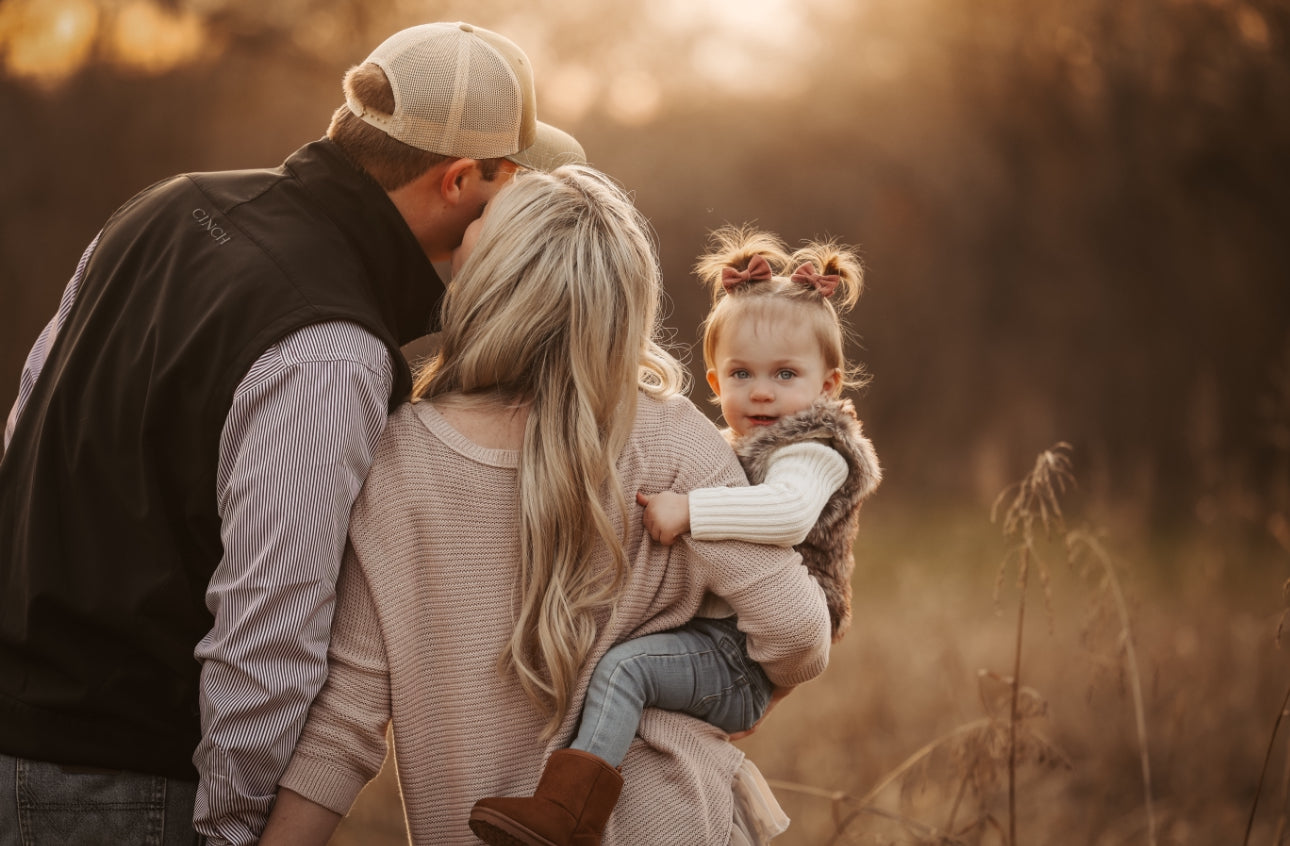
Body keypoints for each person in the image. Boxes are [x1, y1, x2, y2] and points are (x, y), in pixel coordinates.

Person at [0, 21, 584, 846]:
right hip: (124, 786)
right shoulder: (331, 346)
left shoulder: (164, 206)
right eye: (504, 188)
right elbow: (269, 631)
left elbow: (26, 427)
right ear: (458, 180)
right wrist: (232, 830)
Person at [256, 167, 833, 846]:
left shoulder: (397, 458)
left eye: (479, 228)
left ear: (494, 282)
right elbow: (798, 633)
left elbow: (344, 726)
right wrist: (733, 694)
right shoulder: (676, 437)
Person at [469, 226, 882, 846]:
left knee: (624, 671)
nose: (761, 391)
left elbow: (788, 514)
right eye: (741, 373)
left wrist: (691, 511)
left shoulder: (815, 451)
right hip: (723, 644)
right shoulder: (729, 445)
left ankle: (570, 814)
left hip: (742, 659)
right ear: (714, 383)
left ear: (828, 385)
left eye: (785, 374)